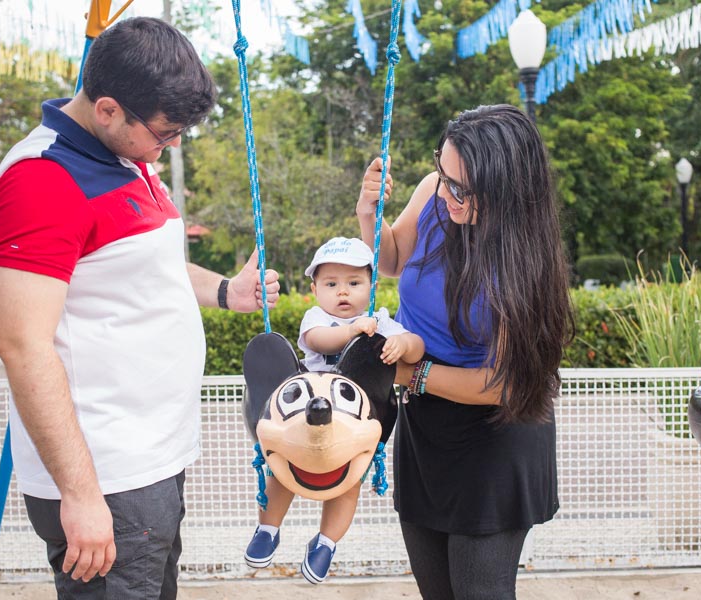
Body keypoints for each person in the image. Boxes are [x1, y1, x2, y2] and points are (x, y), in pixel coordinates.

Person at [0, 17, 279, 600]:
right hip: (107, 475)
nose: (174, 145)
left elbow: (141, 267)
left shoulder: (126, 156)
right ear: (109, 109)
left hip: (150, 459)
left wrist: (225, 292)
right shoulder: (41, 181)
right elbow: (22, 345)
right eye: (167, 133)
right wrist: (82, 494)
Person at [355, 104, 574, 600]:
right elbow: (390, 260)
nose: (448, 194)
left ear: (507, 187)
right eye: (444, 174)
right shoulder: (433, 193)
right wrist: (369, 215)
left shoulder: (526, 261)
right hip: (427, 429)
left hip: (495, 435)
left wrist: (412, 375)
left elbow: (508, 384)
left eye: (463, 188)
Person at [244, 236, 423, 584]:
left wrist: (403, 343)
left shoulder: (380, 322)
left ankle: (326, 542)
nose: (343, 292)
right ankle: (268, 528)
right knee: (282, 471)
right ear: (314, 289)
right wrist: (352, 332)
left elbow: (417, 350)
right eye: (331, 284)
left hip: (348, 426)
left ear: (371, 285)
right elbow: (317, 341)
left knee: (347, 483)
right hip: (306, 421)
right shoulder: (317, 319)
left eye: (354, 283)